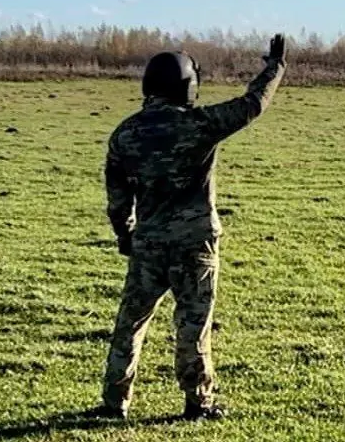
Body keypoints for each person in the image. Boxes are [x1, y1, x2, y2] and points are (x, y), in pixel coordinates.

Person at [89, 34, 286, 422]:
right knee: (192, 325)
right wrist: (274, 68)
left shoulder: (125, 133)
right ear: (187, 86)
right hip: (196, 245)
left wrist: (124, 234)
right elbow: (252, 104)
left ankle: (114, 403)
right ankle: (198, 403)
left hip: (147, 244)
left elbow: (116, 196)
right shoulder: (199, 124)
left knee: (130, 323)